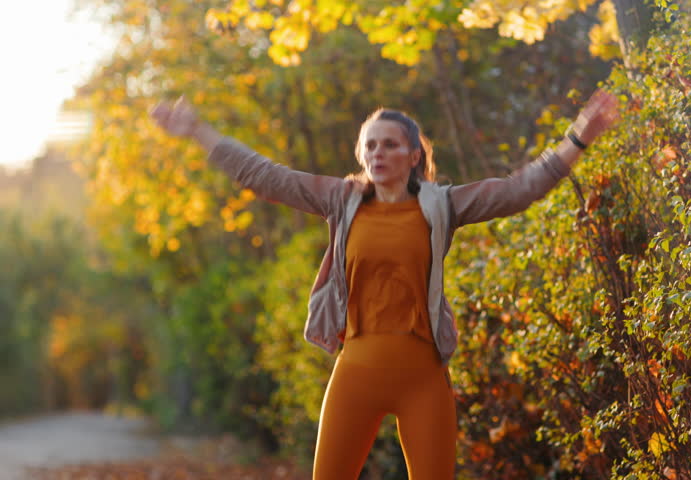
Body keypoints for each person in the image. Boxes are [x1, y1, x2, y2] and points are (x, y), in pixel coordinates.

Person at [150, 90, 619, 479]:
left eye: (390, 145)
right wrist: (197, 130)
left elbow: (520, 190)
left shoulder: (444, 205)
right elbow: (266, 176)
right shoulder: (342, 199)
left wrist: (579, 136)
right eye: (370, 145)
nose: (378, 153)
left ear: (414, 155)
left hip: (423, 377)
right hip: (356, 371)